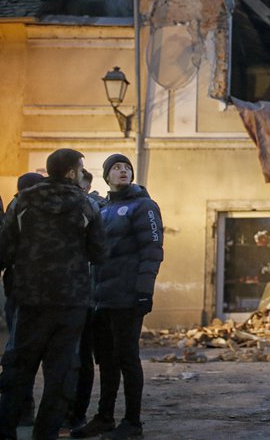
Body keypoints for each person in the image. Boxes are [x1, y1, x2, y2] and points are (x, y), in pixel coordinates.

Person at [0, 149, 105, 440]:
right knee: (60, 374)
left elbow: (4, 251)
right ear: (71, 172)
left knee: (19, 369)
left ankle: (6, 429)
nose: (83, 175)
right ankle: (45, 434)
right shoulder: (86, 205)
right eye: (81, 169)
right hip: (71, 301)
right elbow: (99, 252)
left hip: (30, 299)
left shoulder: (22, 201)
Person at [72, 154, 163, 440]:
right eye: (116, 168)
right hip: (101, 298)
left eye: (127, 168)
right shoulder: (102, 209)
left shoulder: (144, 206)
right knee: (106, 361)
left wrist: (143, 292)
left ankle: (132, 422)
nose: (123, 171)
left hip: (127, 297)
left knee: (127, 358)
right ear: (106, 176)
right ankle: (104, 417)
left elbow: (152, 252)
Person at [0, 172, 46, 429]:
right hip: (50, 294)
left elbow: (4, 248)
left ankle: (20, 411)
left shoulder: (16, 207)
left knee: (18, 353)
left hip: (21, 291)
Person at [67, 169, 106, 431]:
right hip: (70, 294)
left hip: (89, 298)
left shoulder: (95, 210)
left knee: (82, 358)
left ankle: (77, 414)